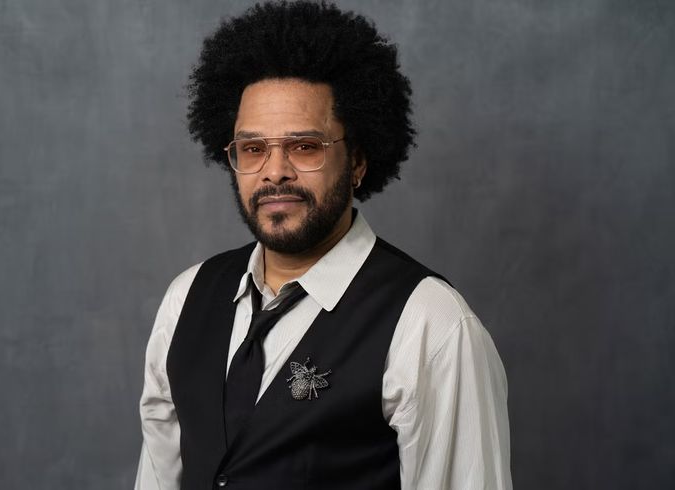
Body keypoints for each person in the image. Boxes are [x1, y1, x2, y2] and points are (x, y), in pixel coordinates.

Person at [135, 2, 511, 489]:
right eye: (253, 149)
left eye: (304, 146)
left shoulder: (431, 323)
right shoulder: (185, 299)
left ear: (356, 162)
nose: (274, 171)